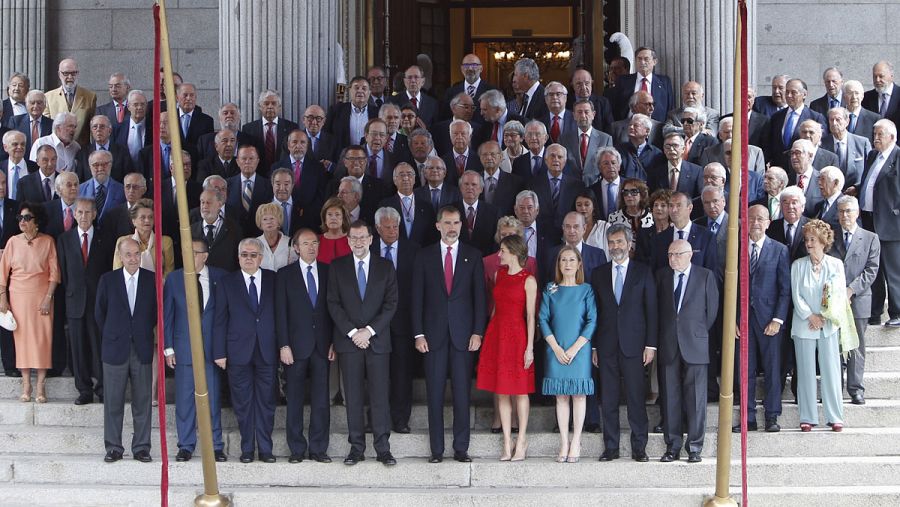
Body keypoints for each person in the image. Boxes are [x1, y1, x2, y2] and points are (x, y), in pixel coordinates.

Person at [412, 205, 486, 464]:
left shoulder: (473, 255)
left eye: (456, 223)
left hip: (464, 336)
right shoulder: (424, 256)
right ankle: (436, 450)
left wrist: (478, 332)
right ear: (438, 225)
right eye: (447, 223)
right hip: (432, 337)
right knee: (434, 394)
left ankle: (461, 448)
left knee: (462, 393)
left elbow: (480, 298)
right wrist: (418, 334)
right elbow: (416, 299)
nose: (452, 227)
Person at [326, 221, 398, 466]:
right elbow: (333, 304)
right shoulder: (337, 267)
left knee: (380, 397)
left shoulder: (385, 267)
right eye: (353, 238)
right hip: (349, 343)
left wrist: (368, 331)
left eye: (362, 237)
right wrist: (352, 332)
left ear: (370, 239)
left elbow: (391, 304)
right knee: (353, 398)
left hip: (377, 342)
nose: (358, 242)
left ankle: (383, 448)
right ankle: (356, 448)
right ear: (348, 240)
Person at [591, 224, 656, 462]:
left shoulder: (643, 271)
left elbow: (651, 310)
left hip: (635, 346)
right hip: (606, 345)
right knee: (608, 398)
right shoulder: (598, 273)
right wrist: (595, 346)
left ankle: (639, 446)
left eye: (620, 242)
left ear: (629, 245)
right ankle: (611, 447)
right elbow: (595, 313)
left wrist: (651, 345)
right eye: (612, 242)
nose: (615, 246)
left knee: (636, 397)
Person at [213, 238, 278, 463]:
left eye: (253, 255)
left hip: (267, 349)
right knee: (242, 403)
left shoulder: (273, 279)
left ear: (261, 258)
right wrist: (219, 352)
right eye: (244, 255)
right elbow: (219, 319)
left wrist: (283, 346)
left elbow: (280, 317)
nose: (248, 258)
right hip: (237, 351)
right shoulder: (226, 282)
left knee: (267, 402)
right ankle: (248, 449)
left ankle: (266, 449)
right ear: (238, 257)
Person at [162, 239, 227, 463]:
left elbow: (225, 316)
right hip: (184, 349)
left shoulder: (220, 277)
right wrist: (168, 348)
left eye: (194, 252)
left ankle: (216, 445)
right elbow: (167, 316)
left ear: (205, 256)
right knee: (185, 401)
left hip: (212, 351)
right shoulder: (174, 278)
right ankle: (186, 445)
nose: (189, 256)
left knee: (213, 399)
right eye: (186, 252)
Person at [275, 229, 335, 463]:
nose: (312, 247)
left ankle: (319, 448)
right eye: (306, 243)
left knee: (321, 401)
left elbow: (333, 310)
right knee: (295, 399)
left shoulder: (329, 271)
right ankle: (297, 449)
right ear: (296, 247)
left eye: (315, 243)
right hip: (295, 347)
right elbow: (280, 313)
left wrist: (333, 342)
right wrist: (283, 345)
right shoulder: (284, 275)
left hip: (322, 345)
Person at [657, 239, 719, 463]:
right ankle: (672, 446)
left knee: (696, 398)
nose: (673, 258)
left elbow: (711, 312)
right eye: (670, 254)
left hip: (695, 343)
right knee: (670, 397)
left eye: (678, 254)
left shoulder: (705, 276)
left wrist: (695, 332)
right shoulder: (662, 276)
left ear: (690, 254)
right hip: (669, 344)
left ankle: (694, 447)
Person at [477, 234, 537, 461]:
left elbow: (531, 316)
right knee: (500, 390)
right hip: (497, 333)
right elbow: (495, 308)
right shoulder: (498, 274)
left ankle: (521, 439)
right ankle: (506, 441)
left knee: (520, 390)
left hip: (518, 335)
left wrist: (529, 347)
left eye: (502, 250)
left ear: (513, 251)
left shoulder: (528, 279)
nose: (499, 254)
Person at [95, 237, 156, 463]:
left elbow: (154, 314)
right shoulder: (108, 280)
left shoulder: (151, 280)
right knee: (113, 401)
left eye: (136, 254)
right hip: (114, 349)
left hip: (141, 347)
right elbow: (99, 314)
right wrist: (115, 334)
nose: (133, 259)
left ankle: (141, 447)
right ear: (120, 257)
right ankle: (113, 447)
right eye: (128, 255)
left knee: (142, 401)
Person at [733, 205, 791, 433]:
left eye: (760, 219)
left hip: (769, 321)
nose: (755, 223)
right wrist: (734, 320)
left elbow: (785, 288)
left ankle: (772, 416)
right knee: (744, 370)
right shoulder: (735, 250)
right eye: (751, 219)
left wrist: (778, 319)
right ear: (744, 222)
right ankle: (748, 418)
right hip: (743, 322)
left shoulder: (779, 250)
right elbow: (729, 287)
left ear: (768, 222)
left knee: (772, 368)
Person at [539, 244, 596, 463]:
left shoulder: (586, 289)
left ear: (579, 264)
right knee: (561, 396)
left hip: (578, 351)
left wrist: (574, 348)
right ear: (558, 264)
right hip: (555, 348)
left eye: (572, 260)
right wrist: (555, 347)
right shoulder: (550, 289)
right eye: (563, 260)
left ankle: (576, 441)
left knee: (579, 395)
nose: (568, 264)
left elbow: (592, 320)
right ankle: (564, 441)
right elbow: (543, 318)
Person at [791, 219, 847, 432]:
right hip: (805, 324)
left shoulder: (836, 265)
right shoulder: (798, 265)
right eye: (806, 240)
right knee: (805, 372)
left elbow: (839, 293)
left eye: (813, 239)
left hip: (828, 324)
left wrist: (823, 316)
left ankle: (835, 416)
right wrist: (810, 316)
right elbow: (797, 296)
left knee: (831, 370)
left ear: (823, 241)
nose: (809, 243)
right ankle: (807, 416)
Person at [0, 201, 59, 402]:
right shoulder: (12, 242)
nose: (22, 222)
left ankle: (41, 386)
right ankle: (26, 385)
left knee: (43, 339)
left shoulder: (48, 241)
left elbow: (54, 275)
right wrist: (3, 299)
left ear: (37, 221)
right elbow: (2, 274)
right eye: (20, 218)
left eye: (27, 218)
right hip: (18, 297)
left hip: (42, 297)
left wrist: (48, 298)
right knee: (22, 340)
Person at [57, 198, 113, 405]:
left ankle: (102, 389)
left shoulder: (105, 239)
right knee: (78, 349)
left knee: (98, 346)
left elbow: (109, 272)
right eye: (79, 212)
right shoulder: (64, 239)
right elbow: (63, 273)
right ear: (75, 214)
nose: (83, 216)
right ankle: (84, 390)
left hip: (98, 302)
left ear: (95, 214)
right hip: (75, 302)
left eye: (87, 212)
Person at [829, 196, 880, 406]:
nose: (844, 215)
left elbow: (872, 270)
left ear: (857, 213)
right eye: (841, 211)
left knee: (856, 346)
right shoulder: (831, 236)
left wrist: (851, 290)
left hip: (858, 301)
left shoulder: (870, 238)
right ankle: (834, 389)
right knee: (834, 347)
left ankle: (856, 389)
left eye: (849, 211)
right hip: (833, 301)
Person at [112, 198, 175, 276]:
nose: (147, 220)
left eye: (150, 217)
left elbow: (169, 272)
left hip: (158, 286)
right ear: (133, 221)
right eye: (143, 217)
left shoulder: (165, 241)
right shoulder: (123, 241)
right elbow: (117, 271)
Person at [256, 202, 298, 271]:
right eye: (265, 219)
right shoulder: (255, 244)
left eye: (272, 218)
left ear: (279, 221)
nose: (269, 222)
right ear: (260, 223)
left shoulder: (290, 243)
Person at [317, 196, 351, 264]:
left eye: (337, 214)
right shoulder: (317, 240)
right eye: (330, 214)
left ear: (343, 219)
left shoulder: (351, 240)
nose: (333, 218)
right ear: (325, 219)